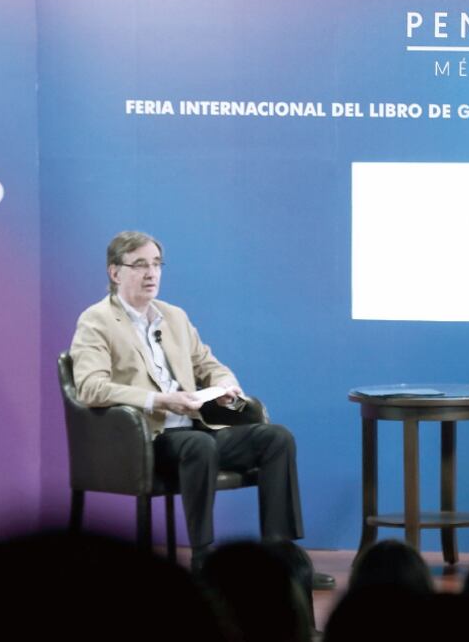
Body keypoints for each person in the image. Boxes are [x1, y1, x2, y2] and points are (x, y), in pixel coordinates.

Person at [70, 231, 331, 587]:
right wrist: (161, 400)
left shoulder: (173, 317)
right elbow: (89, 387)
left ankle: (280, 558)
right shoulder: (96, 320)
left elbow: (210, 364)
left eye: (157, 265)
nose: (152, 274)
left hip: (196, 427)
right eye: (140, 265)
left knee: (276, 438)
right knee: (199, 445)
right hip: (146, 439)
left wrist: (226, 386)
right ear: (115, 273)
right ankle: (203, 559)